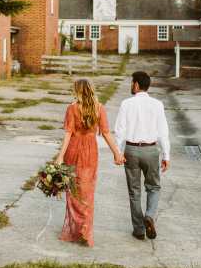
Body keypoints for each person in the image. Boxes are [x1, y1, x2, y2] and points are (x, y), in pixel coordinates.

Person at [55, 79, 124, 247]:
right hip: (90, 151)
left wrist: (60, 156)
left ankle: (77, 230)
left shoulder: (72, 108)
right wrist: (117, 153)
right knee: (87, 191)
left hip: (74, 149)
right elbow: (106, 133)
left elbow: (68, 134)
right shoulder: (99, 108)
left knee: (73, 191)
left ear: (78, 91)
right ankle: (85, 229)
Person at [114, 71, 170, 241]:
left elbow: (120, 131)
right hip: (151, 150)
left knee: (134, 191)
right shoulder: (157, 104)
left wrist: (118, 151)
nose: (131, 85)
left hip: (131, 150)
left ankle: (138, 230)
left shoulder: (126, 104)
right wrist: (166, 155)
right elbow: (163, 132)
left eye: (132, 82)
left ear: (137, 85)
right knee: (153, 187)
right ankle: (150, 215)